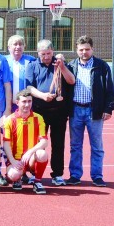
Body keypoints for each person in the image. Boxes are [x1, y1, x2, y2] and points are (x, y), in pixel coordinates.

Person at [66, 35, 114, 187]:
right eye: (81, 50)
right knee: (75, 146)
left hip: (94, 111)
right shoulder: (71, 66)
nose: (84, 52)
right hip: (75, 110)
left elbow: (109, 88)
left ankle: (97, 176)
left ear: (92, 49)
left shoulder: (101, 66)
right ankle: (75, 175)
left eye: (87, 49)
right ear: (76, 50)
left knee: (97, 146)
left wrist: (109, 108)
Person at [26, 39, 76, 186]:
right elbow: (29, 87)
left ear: (53, 51)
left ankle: (57, 174)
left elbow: (71, 81)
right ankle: (34, 173)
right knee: (37, 144)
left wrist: (63, 68)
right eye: (43, 54)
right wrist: (42, 96)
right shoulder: (32, 66)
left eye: (48, 53)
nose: (46, 56)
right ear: (38, 53)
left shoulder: (60, 63)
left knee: (58, 144)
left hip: (59, 112)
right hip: (39, 111)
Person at [2, 89, 49, 194]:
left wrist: (30, 152)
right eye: (24, 101)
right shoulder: (10, 120)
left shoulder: (38, 118)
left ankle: (37, 181)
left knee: (42, 154)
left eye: (29, 101)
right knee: (13, 175)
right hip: (16, 159)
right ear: (17, 103)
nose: (27, 104)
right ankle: (17, 179)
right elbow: (6, 143)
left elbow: (44, 142)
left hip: (31, 158)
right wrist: (13, 161)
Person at [4, 35, 35, 110]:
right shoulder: (3, 60)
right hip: (7, 105)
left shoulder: (31, 60)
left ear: (24, 47)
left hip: (26, 105)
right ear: (9, 47)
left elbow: (44, 61)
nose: (18, 47)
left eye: (20, 44)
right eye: (15, 44)